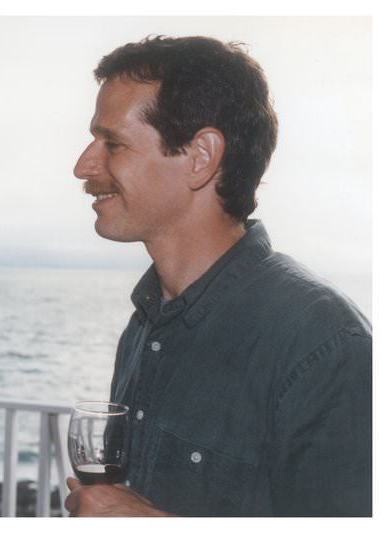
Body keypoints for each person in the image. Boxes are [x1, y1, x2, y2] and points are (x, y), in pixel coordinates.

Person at [64, 36, 371, 517]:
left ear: (201, 157)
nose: (83, 166)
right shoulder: (146, 324)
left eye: (113, 143)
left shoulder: (324, 345)